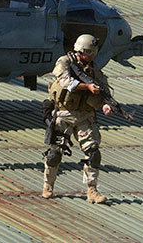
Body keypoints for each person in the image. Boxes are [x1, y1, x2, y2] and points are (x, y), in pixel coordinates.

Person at [42, 34, 115, 203]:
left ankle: (92, 191)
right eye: (89, 53)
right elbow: (66, 82)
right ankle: (48, 185)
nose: (92, 57)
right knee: (54, 154)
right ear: (81, 51)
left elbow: (104, 89)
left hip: (84, 116)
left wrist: (106, 105)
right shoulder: (64, 63)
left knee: (93, 153)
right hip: (63, 114)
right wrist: (88, 86)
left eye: (93, 53)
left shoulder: (93, 69)